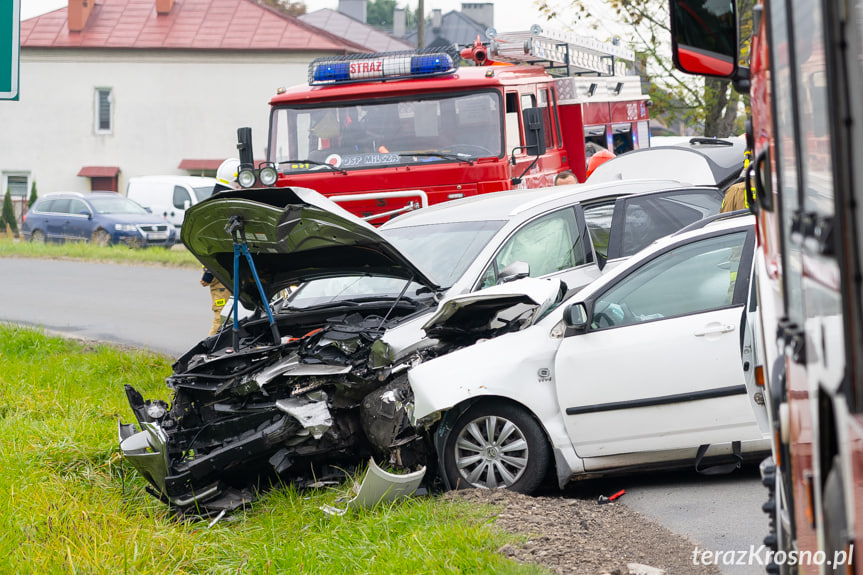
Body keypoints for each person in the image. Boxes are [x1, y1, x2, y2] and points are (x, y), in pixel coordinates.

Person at [201, 267, 230, 336]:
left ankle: (210, 345)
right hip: (223, 288)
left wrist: (207, 276)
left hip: (225, 288)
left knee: (222, 319)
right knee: (222, 319)